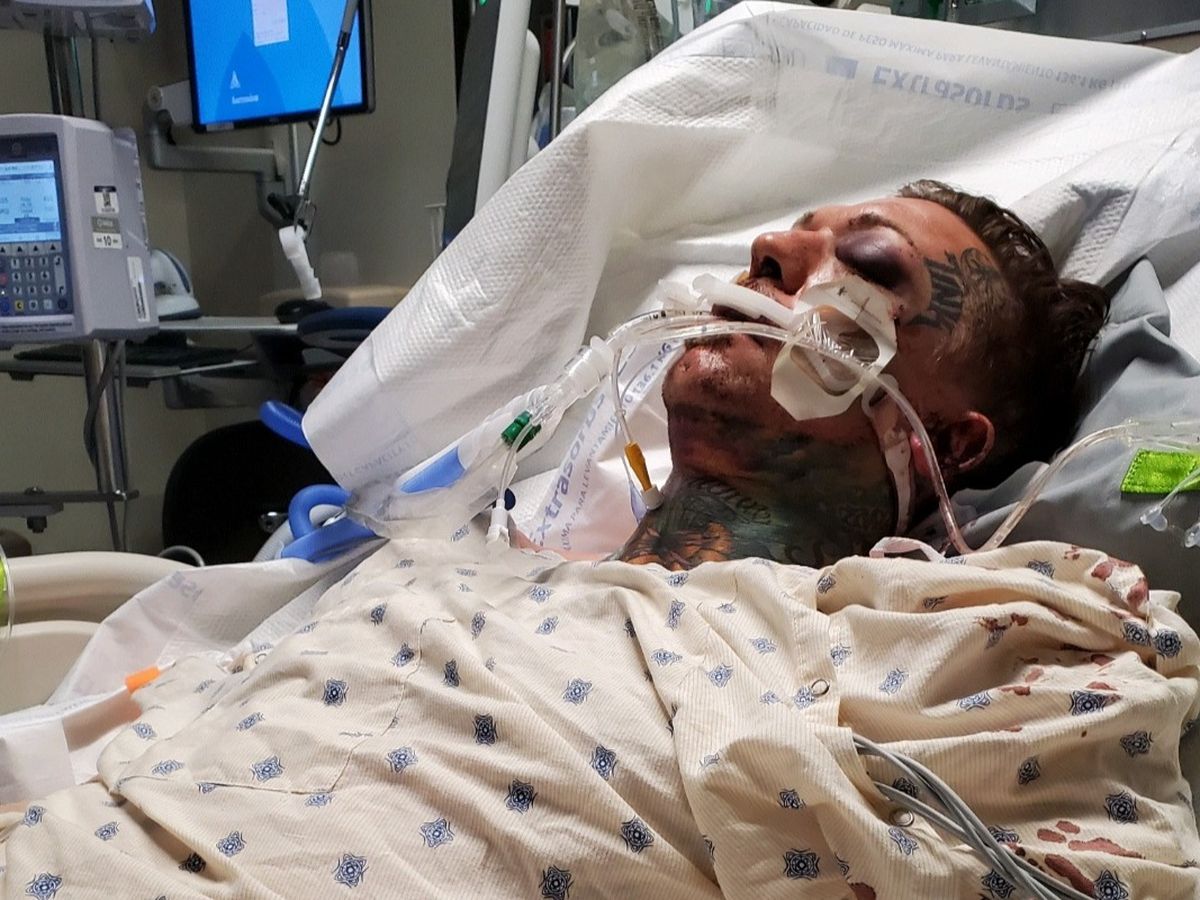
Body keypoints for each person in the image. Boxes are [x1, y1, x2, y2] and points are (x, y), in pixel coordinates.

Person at [5, 185, 1196, 900]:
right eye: (781, 242)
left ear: (953, 438)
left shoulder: (964, 645)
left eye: (867, 263)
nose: (772, 257)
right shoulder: (464, 562)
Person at [619, 180, 1108, 568]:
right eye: (797, 232)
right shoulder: (573, 593)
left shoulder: (954, 648)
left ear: (949, 444)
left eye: (870, 262)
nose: (767, 246)